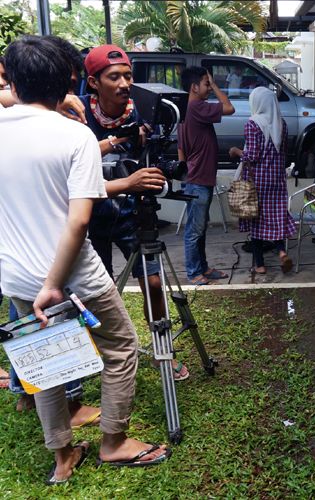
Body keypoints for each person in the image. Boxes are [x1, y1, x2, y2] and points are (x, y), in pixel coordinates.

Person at [0, 35, 170, 485]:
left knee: (44, 362)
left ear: (12, 79)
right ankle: (113, 443)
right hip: (73, 274)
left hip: (16, 276)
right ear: (72, 82)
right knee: (120, 349)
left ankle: (62, 457)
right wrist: (55, 284)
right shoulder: (74, 135)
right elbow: (78, 223)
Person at [82, 44, 189, 381]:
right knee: (95, 294)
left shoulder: (143, 111)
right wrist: (116, 141)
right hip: (89, 214)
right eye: (114, 76)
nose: (124, 83)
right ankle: (100, 355)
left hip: (131, 213)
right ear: (94, 82)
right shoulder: (77, 113)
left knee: (154, 284)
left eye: (128, 75)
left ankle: (163, 351)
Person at [228, 87, 296, 274]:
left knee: (256, 221)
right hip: (276, 179)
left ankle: (259, 265)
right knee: (276, 217)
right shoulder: (281, 124)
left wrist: (236, 151)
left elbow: (252, 155)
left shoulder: (253, 123)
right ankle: (282, 252)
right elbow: (283, 153)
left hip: (257, 180)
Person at [178, 66, 235, 285]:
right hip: (199, 179)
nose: (209, 88)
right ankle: (194, 273)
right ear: (194, 87)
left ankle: (202, 268)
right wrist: (217, 85)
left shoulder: (185, 109)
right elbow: (228, 108)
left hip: (197, 177)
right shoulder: (197, 107)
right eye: (206, 84)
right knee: (194, 230)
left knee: (199, 228)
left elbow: (181, 146)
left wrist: (185, 171)